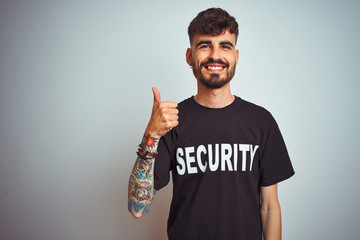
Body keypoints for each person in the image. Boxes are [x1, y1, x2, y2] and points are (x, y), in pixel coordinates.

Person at [128, 7, 294, 240]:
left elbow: (269, 206)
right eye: (205, 45)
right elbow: (137, 207)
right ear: (189, 55)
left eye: (224, 46)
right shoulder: (171, 121)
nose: (215, 55)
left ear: (236, 55)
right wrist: (151, 134)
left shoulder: (261, 121)